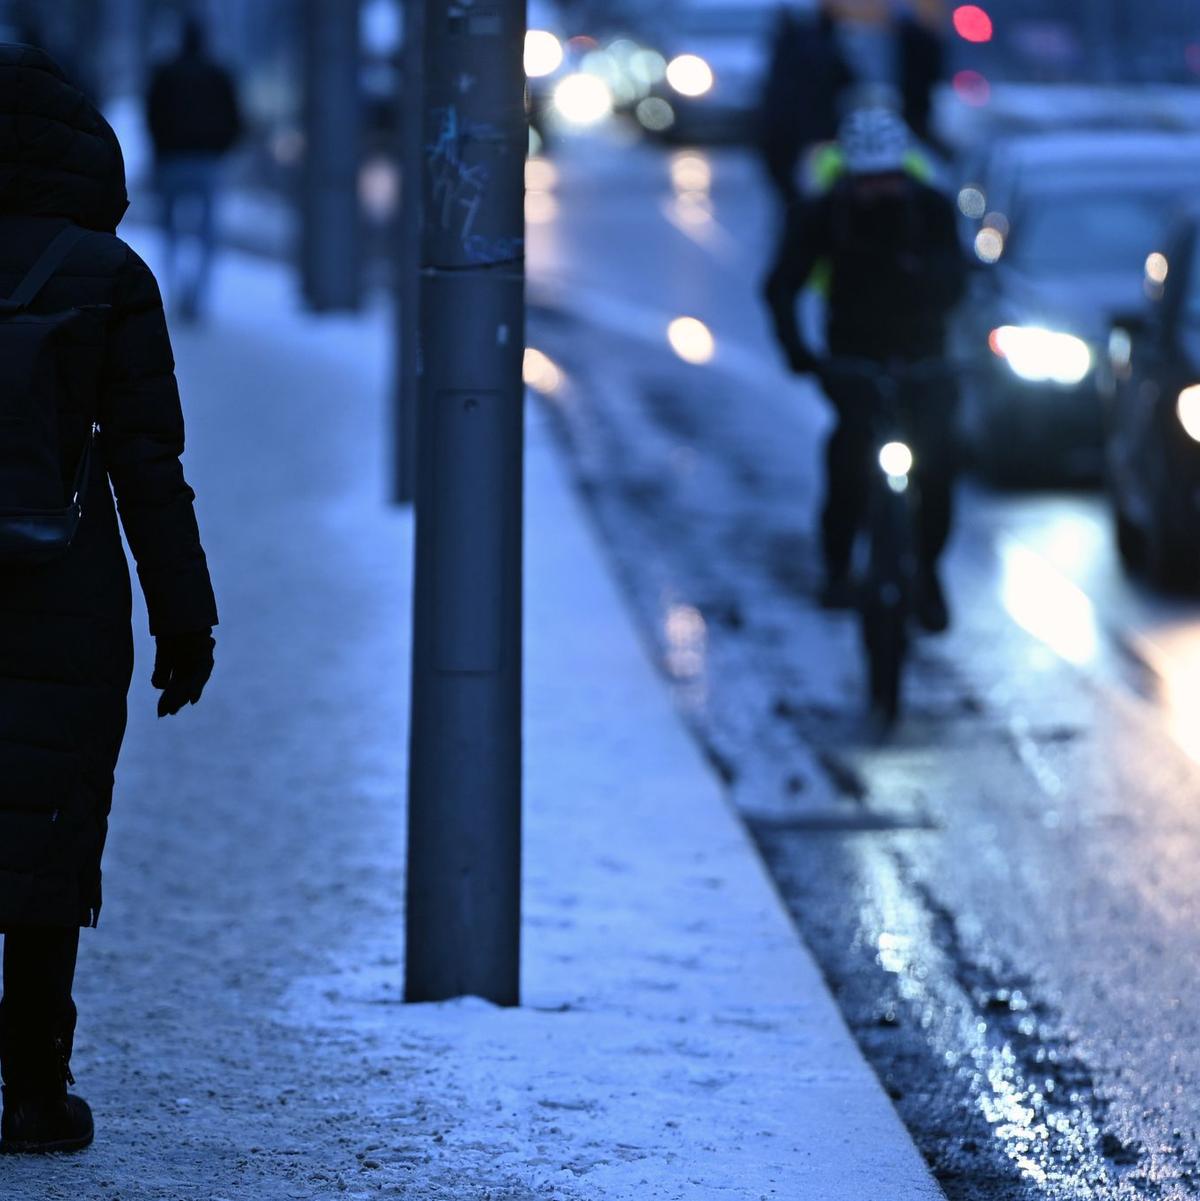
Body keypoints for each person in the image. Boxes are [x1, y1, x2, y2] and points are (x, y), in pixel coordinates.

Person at [0, 43, 217, 1153]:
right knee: (42, 837)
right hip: (62, 587)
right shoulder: (107, 274)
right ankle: (34, 1088)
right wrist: (187, 617)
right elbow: (147, 463)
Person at [762, 106, 966, 631]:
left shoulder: (932, 210)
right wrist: (799, 353)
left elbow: (959, 282)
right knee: (848, 462)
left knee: (938, 468)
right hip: (853, 358)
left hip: (924, 359)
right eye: (868, 181)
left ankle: (927, 571)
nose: (879, 191)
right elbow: (781, 285)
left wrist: (926, 279)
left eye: (889, 179)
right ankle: (836, 568)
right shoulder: (821, 215)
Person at [146, 16, 243, 321]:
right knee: (207, 234)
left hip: (173, 160)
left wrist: (160, 152)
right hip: (206, 161)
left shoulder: (165, 73)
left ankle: (176, 290)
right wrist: (219, 149)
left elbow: (152, 116)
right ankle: (198, 298)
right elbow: (236, 119)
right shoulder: (218, 74)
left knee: (170, 231)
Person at [757, 3, 854, 207]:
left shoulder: (785, 46)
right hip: (815, 134)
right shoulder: (823, 46)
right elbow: (846, 79)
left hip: (786, 133)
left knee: (796, 199)